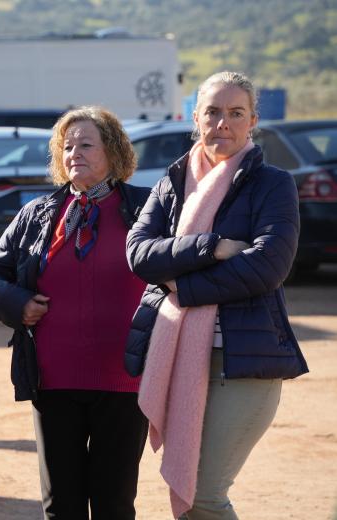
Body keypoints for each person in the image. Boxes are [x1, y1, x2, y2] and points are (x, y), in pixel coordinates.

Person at [125, 71, 308, 519]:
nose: (222, 123)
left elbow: (268, 266)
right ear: (196, 118)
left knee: (203, 495)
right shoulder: (172, 183)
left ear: (252, 122)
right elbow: (138, 253)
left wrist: (182, 285)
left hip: (243, 364)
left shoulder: (273, 184)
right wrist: (212, 247)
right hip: (179, 359)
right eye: (213, 112)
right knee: (188, 502)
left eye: (235, 113)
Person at [0, 107, 152, 519]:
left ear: (113, 151)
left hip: (126, 379)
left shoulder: (147, 209)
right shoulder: (39, 213)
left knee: (115, 503)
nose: (75, 153)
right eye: (67, 146)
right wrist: (18, 304)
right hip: (53, 379)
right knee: (61, 506)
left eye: (86, 144)